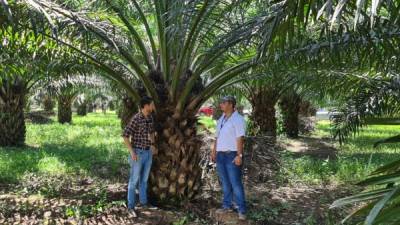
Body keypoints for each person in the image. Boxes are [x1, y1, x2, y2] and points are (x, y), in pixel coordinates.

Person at [211, 96, 247, 220]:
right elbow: (217, 137)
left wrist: (239, 155)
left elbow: (240, 139)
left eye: (224, 103)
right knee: (225, 182)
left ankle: (242, 210)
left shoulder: (238, 119)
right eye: (221, 102)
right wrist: (214, 152)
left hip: (232, 154)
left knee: (235, 183)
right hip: (220, 155)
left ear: (231, 105)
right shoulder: (221, 118)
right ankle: (226, 205)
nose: (221, 104)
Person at [122, 96, 157, 218]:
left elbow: (152, 132)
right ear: (146, 106)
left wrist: (152, 144)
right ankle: (130, 207)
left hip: (148, 153)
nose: (153, 106)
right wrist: (132, 152)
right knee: (134, 181)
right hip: (137, 153)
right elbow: (125, 135)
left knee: (144, 180)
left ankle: (143, 203)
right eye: (151, 104)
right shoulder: (136, 118)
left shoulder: (150, 118)